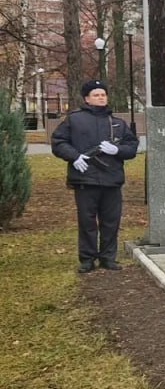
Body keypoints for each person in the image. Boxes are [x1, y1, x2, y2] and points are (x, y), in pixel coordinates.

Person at [51, 79, 140, 273]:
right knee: (87, 222)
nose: (101, 98)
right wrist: (74, 156)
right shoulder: (74, 119)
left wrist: (117, 150)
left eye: (103, 94)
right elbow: (58, 142)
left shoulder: (117, 123)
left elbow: (132, 147)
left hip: (112, 179)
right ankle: (87, 259)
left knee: (111, 222)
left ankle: (108, 258)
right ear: (87, 98)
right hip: (85, 179)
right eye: (96, 95)